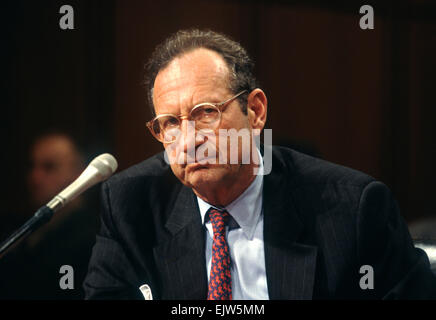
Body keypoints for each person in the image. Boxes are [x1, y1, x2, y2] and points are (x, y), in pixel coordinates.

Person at [83, 29, 436, 300]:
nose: (188, 141)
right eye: (170, 123)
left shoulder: (353, 209)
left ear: (255, 111)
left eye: (205, 113)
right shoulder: (131, 207)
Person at [0, 132, 99, 299]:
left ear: (78, 173)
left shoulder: (96, 238)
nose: (35, 177)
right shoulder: (14, 228)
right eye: (32, 166)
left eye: (49, 167)